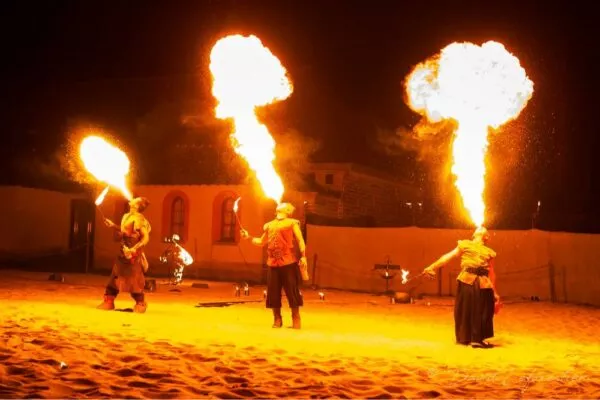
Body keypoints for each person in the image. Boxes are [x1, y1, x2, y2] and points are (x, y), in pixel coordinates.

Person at [423, 226, 500, 348]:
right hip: (466, 279)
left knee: (483, 311)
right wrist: (432, 267)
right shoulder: (465, 244)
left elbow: (491, 272)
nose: (481, 228)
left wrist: (494, 291)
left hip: (484, 283)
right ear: (474, 235)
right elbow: (448, 256)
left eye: (486, 231)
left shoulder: (489, 251)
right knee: (465, 309)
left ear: (486, 237)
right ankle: (465, 338)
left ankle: (477, 339)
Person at [241, 202, 309, 329]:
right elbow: (261, 242)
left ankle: (296, 319)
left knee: (292, 291)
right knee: (273, 292)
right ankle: (277, 319)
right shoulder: (269, 225)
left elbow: (300, 240)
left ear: (288, 210)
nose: (281, 206)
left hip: (288, 262)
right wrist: (248, 237)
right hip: (272, 263)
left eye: (285, 205)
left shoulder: (292, 223)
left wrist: (303, 256)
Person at [97, 197, 151, 313]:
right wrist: (113, 226)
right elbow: (126, 231)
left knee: (134, 280)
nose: (132, 199)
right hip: (123, 252)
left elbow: (145, 237)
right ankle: (109, 302)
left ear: (137, 206)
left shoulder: (139, 219)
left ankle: (140, 303)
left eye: (135, 199)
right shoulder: (126, 216)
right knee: (114, 277)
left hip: (133, 255)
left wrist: (133, 249)